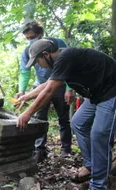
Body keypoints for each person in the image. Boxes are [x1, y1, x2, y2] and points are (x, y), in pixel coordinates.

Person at [16, 39, 116, 190]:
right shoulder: (61, 61)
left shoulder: (65, 57)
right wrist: (26, 96)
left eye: (38, 61)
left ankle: (99, 185)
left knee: (99, 134)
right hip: (96, 94)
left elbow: (50, 91)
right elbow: (46, 85)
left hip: (111, 91)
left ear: (46, 54)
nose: (38, 65)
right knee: (78, 123)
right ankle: (91, 165)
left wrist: (27, 113)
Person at [17, 21, 74, 162]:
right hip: (41, 85)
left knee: (63, 119)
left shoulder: (57, 44)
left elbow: (69, 68)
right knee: (39, 118)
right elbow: (24, 72)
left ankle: (66, 149)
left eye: (33, 37)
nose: (30, 40)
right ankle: (39, 149)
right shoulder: (27, 52)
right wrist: (22, 91)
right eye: (27, 38)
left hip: (60, 85)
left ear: (40, 35)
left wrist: (69, 88)